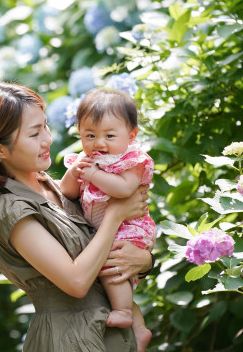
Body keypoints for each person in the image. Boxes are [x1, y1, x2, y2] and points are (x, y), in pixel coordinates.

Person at [0, 82, 154, 351]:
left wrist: (144, 260)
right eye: (35, 134)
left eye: (46, 126)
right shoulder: (10, 208)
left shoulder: (55, 187)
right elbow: (76, 281)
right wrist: (116, 214)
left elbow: (104, 252)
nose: (48, 139)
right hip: (68, 340)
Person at [60, 88, 155, 352]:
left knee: (110, 268)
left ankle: (124, 312)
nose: (99, 143)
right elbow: (68, 192)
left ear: (131, 135)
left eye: (110, 135)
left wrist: (92, 175)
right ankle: (139, 329)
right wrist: (73, 172)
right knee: (111, 279)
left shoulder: (131, 160)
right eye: (90, 135)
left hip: (130, 227)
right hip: (108, 228)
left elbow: (125, 191)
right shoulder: (87, 160)